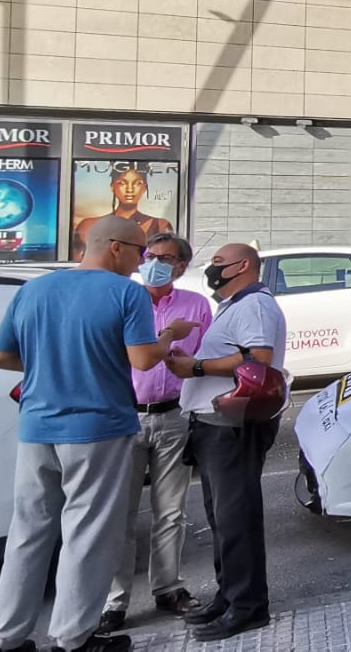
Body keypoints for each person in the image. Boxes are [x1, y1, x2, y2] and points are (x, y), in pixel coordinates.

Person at [0, 216, 196, 652]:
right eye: (141, 252)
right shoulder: (126, 293)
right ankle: (73, 639)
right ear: (116, 248)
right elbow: (142, 360)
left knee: (28, 532)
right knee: (87, 533)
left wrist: (55, 363)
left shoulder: (34, 290)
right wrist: (169, 336)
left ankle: (6, 639)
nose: (144, 263)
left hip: (36, 428)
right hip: (97, 428)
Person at [166, 243, 286, 640]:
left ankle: (249, 607)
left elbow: (259, 356)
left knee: (237, 519)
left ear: (244, 265)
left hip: (232, 423)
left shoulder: (254, 304)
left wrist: (196, 366)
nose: (211, 268)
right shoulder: (234, 304)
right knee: (221, 518)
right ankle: (228, 596)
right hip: (213, 421)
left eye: (218, 262)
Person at [100, 233, 215, 634]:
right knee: (121, 515)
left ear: (181, 266)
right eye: (150, 255)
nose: (155, 262)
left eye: (166, 258)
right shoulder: (122, 299)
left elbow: (206, 358)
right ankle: (115, 602)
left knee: (171, 512)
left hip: (173, 416)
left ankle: (168, 588)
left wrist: (191, 360)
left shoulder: (196, 305)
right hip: (125, 416)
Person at [72, 163, 175, 261]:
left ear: (144, 188)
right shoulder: (88, 226)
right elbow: (77, 264)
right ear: (112, 187)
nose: (129, 189)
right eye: (122, 183)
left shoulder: (161, 225)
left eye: (137, 183)